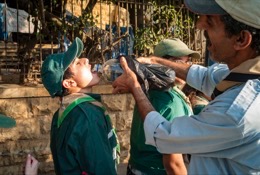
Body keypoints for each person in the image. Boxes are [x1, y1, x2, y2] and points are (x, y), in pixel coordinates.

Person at [112, 0, 260, 174]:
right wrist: (155, 61)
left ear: (241, 39)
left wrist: (135, 87)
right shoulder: (244, 74)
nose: (199, 25)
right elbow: (204, 76)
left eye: (210, 22)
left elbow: (164, 135)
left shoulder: (236, 113)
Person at [41, 37, 118, 175]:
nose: (86, 60)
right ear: (69, 83)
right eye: (77, 63)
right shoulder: (88, 117)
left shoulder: (62, 114)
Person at [127, 38, 196, 175]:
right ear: (160, 64)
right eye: (180, 62)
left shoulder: (149, 90)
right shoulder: (169, 101)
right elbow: (173, 162)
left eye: (188, 62)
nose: (185, 67)